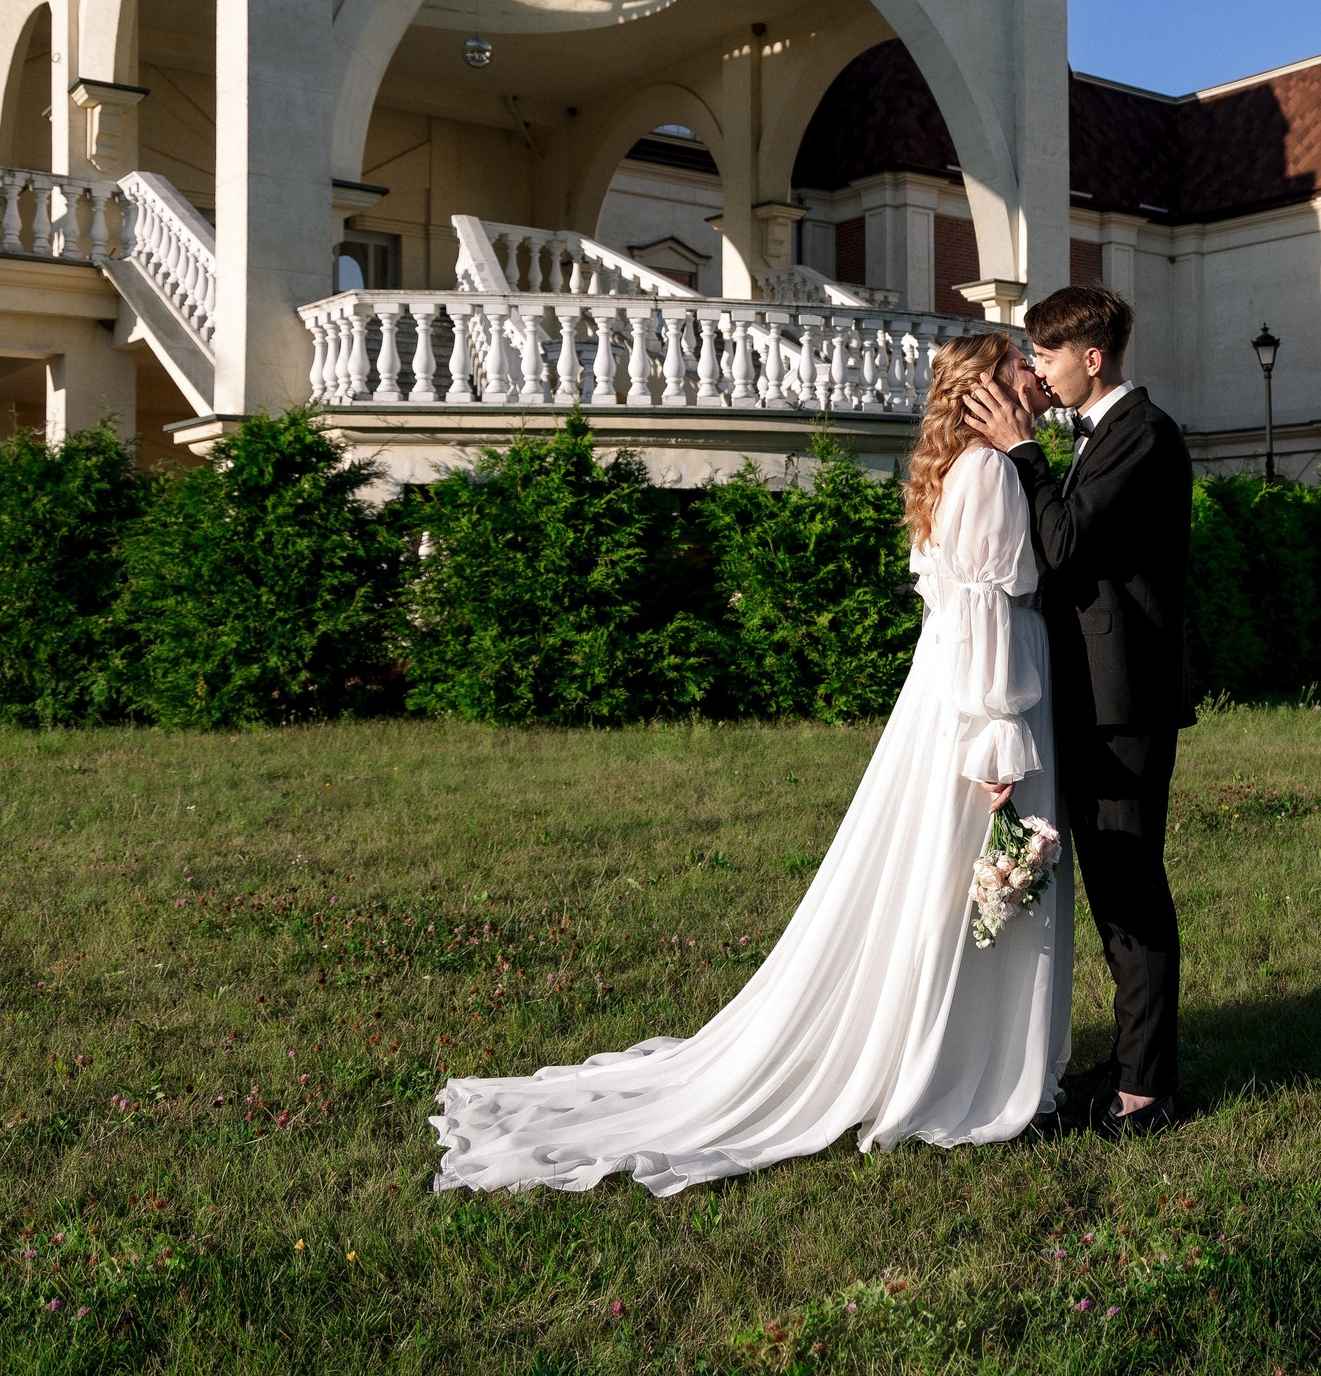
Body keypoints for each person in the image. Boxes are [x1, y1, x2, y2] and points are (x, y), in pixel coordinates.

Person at [429, 332, 1073, 1196]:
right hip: (986, 703)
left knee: (948, 879)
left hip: (953, 693)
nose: (1035, 371)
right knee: (976, 875)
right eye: (1020, 362)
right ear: (989, 386)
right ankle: (960, 1068)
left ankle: (947, 1046)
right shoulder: (990, 470)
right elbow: (985, 613)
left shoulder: (957, 468)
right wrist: (997, 739)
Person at [964, 284, 1194, 1138]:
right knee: (1110, 890)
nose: (1039, 371)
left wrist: (1023, 451)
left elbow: (1061, 545)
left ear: (1090, 358)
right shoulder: (1104, 433)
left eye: (1047, 355)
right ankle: (1135, 1063)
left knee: (1130, 888)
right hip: (1097, 699)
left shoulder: (1145, 432)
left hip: (1125, 706)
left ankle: (1147, 1091)